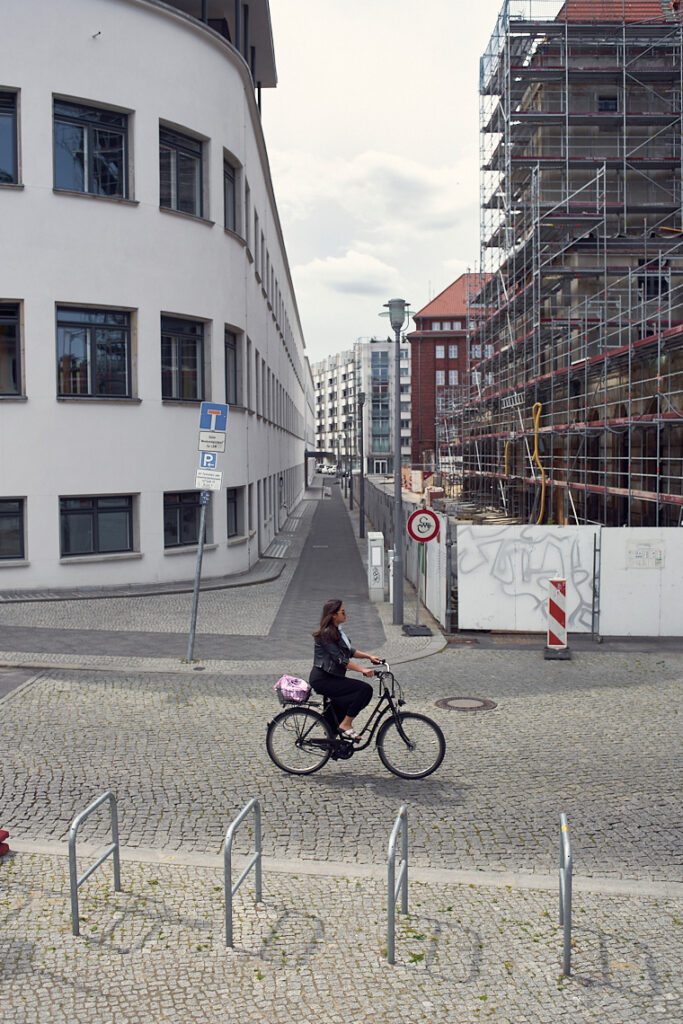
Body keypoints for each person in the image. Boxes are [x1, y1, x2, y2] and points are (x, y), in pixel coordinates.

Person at [309, 598, 381, 741]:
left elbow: (349, 651)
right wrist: (363, 670)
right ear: (333, 615)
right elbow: (341, 660)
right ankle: (346, 724)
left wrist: (369, 656)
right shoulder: (326, 633)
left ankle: (331, 738)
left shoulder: (336, 631)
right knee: (364, 690)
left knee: (346, 700)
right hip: (323, 679)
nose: (345, 614)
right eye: (343, 612)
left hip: (331, 677)